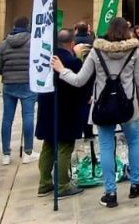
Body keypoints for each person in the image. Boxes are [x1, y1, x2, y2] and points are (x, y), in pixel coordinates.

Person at [52, 17, 139, 208]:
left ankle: (110, 192)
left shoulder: (96, 50)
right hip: (128, 105)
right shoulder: (133, 50)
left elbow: (80, 80)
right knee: (134, 142)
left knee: (106, 147)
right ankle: (136, 184)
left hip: (103, 105)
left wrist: (61, 70)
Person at [34, 29, 87, 198]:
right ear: (71, 44)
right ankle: (63, 185)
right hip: (66, 109)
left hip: (47, 107)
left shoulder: (45, 59)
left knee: (48, 145)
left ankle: (44, 183)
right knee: (64, 146)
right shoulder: (72, 61)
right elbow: (80, 84)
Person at [0, 16, 39, 165]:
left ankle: (5, 154)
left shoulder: (3, 44)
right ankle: (28, 152)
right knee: (28, 116)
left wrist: (8, 73)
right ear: (27, 26)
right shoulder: (33, 42)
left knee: (7, 119)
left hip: (9, 84)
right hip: (27, 83)